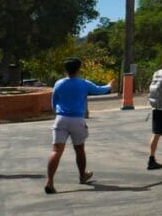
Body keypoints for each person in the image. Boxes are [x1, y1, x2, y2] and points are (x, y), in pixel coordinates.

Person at [45, 58, 116, 194]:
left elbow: (53, 103)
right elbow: (99, 90)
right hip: (77, 119)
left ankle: (49, 181)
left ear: (66, 69)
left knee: (56, 151)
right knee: (79, 149)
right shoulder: (83, 83)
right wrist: (109, 85)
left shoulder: (58, 83)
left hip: (61, 119)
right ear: (79, 69)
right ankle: (82, 175)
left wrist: (58, 112)